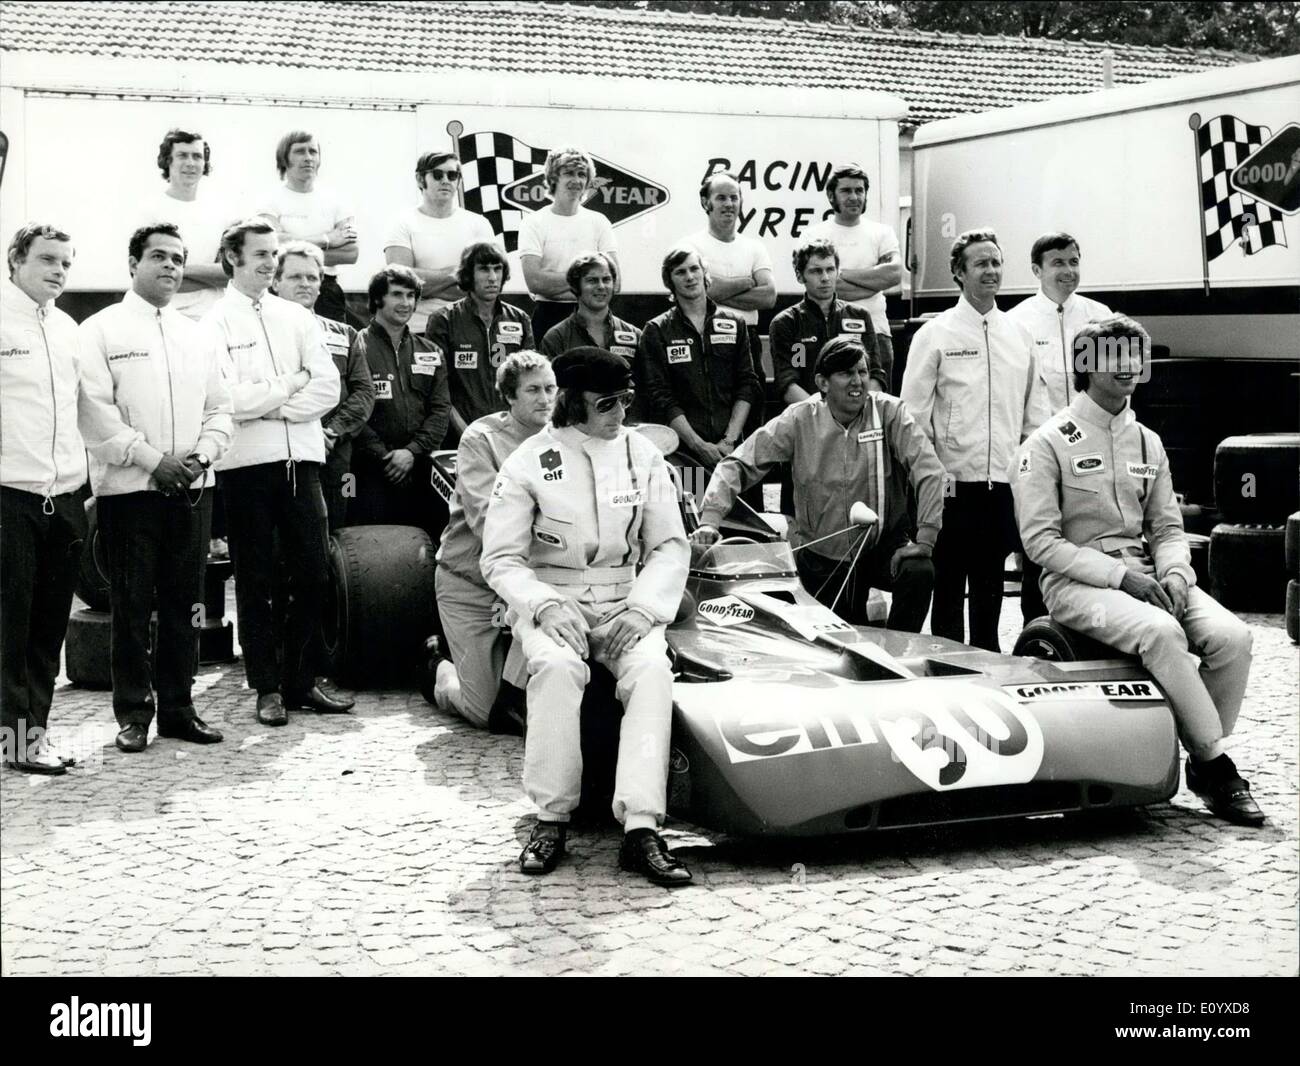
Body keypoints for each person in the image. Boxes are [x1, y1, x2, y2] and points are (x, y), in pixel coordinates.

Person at [1013, 316, 1263, 826]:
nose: (1131, 366)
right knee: (1162, 632)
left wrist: (1175, 574)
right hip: (1077, 584)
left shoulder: (1147, 441)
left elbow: (1168, 527)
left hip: (1152, 574)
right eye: (1117, 355)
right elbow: (1041, 543)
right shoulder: (1045, 444)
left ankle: (1197, 752)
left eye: (1137, 356)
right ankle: (1217, 767)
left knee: (1234, 637)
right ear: (1085, 366)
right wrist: (1119, 577)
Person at [481, 347, 692, 886]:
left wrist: (644, 610)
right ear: (573, 404)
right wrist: (544, 606)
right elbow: (501, 558)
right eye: (606, 403)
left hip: (626, 600)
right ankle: (551, 818)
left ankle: (642, 827)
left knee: (651, 673)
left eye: (625, 400)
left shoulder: (642, 454)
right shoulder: (528, 461)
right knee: (555, 669)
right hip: (555, 601)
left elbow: (669, 544)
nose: (619, 413)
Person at [78, 223, 233, 753]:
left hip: (192, 486)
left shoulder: (198, 333)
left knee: (183, 603)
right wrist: (150, 460)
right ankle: (133, 714)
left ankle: (178, 709)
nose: (170, 267)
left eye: (178, 258)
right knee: (131, 603)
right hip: (129, 492)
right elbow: (93, 415)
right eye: (158, 257)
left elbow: (221, 408)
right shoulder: (101, 330)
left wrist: (200, 456)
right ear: (132, 263)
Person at [202, 218, 351, 725]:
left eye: (273, 254)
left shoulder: (297, 317)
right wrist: (290, 385)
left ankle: (301, 680)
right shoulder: (215, 320)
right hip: (246, 467)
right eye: (260, 254)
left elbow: (329, 387)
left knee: (313, 571)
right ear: (233, 258)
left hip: (303, 461)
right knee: (255, 577)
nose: (269, 263)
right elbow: (229, 399)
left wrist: (276, 405)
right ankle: (266, 686)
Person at [693, 337, 942, 631]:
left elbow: (930, 471)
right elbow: (738, 463)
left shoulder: (890, 412)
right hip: (822, 556)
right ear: (822, 382)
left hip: (882, 548)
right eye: (846, 373)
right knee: (842, 645)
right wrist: (710, 520)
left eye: (862, 372)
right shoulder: (799, 418)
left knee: (919, 570)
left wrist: (925, 538)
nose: (858, 382)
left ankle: (902, 650)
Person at [900, 228, 1050, 652]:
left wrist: (1023, 476)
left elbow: (1033, 417)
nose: (991, 271)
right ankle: (947, 666)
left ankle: (988, 660)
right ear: (958, 273)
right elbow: (914, 416)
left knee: (990, 586)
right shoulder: (935, 333)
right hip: (950, 485)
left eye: (996, 262)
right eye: (981, 263)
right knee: (948, 586)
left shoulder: (1018, 335)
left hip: (1001, 485)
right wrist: (933, 477)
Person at [0, 224, 88, 775]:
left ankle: (36, 733)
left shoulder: (67, 328)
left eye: (66, 263)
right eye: (48, 260)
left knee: (49, 625)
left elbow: (86, 410)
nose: (59, 271)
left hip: (65, 498)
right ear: (15, 260)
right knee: (10, 625)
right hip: (9, 497)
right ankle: (18, 742)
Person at [432, 351, 557, 728]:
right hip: (470, 582)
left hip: (533, 581)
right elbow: (490, 522)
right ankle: (435, 666)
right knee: (486, 711)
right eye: (533, 390)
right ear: (509, 396)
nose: (545, 398)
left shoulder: (563, 438)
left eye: (551, 389)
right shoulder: (481, 439)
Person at [638, 246, 760, 500]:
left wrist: (729, 441)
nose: (690, 276)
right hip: (685, 454)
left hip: (733, 450)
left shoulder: (735, 323)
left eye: (694, 269)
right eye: (680, 272)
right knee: (697, 522)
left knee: (743, 525)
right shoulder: (657, 330)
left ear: (705, 274)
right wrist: (697, 445)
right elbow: (660, 396)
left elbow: (747, 384)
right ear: (669, 281)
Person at [272, 241, 373, 530]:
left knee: (336, 527)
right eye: (294, 277)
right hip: (282, 452)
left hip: (335, 453)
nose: (305, 284)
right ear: (276, 282)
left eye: (312, 277)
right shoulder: (262, 335)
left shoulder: (346, 335)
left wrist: (331, 432)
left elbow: (364, 393)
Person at [350, 265, 450, 537]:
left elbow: (441, 410)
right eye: (396, 294)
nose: (405, 303)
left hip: (421, 466)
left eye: (410, 295)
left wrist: (412, 452)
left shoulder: (431, 351)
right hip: (370, 470)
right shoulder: (355, 347)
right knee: (375, 550)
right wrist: (384, 456)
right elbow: (349, 408)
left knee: (427, 545)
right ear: (377, 299)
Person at [681, 171, 774, 427]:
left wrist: (718, 287)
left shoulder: (754, 247)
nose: (729, 204)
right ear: (705, 202)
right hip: (705, 341)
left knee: (752, 417)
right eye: (721, 197)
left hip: (748, 340)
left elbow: (768, 296)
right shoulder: (690, 246)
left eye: (734, 197)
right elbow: (699, 291)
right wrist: (746, 282)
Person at [425, 241, 534, 443]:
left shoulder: (519, 319)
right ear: (468, 275)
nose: (492, 278)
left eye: (497, 269)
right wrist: (467, 432)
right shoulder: (443, 320)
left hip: (509, 434)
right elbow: (438, 389)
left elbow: (528, 381)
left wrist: (515, 428)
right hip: (460, 434)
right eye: (484, 269)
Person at [804, 163, 902, 390]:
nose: (854, 197)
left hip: (876, 333)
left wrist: (843, 275)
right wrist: (874, 284)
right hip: (829, 333)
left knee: (875, 406)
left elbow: (894, 273)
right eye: (846, 191)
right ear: (831, 195)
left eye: (859, 190)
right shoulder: (814, 235)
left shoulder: (882, 232)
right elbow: (824, 286)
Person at [383, 151, 498, 335]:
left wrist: (424, 287)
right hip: (417, 328)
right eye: (438, 175)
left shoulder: (478, 224)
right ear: (420, 180)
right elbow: (401, 283)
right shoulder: (402, 222)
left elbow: (486, 286)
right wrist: (458, 273)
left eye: (452, 175)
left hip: (468, 327)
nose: (446, 180)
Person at [1007, 232, 1114, 414]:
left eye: (1073, 262)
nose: (1069, 271)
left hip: (1093, 428)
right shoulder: (1014, 321)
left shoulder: (1102, 315)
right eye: (1058, 263)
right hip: (1040, 433)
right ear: (1036, 270)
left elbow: (1118, 380)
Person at [518, 146, 618, 339]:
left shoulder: (599, 222)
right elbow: (535, 282)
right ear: (553, 178)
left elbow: (615, 281)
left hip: (594, 319)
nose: (576, 180)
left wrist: (556, 283)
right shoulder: (534, 222)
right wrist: (588, 282)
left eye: (582, 174)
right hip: (548, 316)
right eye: (569, 173)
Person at [257, 130, 358, 323]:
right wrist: (327, 239)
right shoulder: (269, 201)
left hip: (325, 289)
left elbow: (351, 252)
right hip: (283, 286)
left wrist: (291, 246)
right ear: (284, 158)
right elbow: (273, 244)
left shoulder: (337, 201)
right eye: (300, 151)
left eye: (313, 151)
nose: (308, 158)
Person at [769, 238, 884, 404]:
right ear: (800, 276)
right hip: (809, 417)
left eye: (830, 269)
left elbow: (875, 374)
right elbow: (788, 382)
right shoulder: (788, 323)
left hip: (856, 413)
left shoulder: (859, 316)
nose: (825, 278)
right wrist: (822, 415)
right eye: (816, 271)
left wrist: (858, 410)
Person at [135, 129, 229, 321]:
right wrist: (209, 275)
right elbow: (153, 276)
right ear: (167, 161)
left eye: (197, 156)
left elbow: (229, 273)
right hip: (166, 316)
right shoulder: (151, 212)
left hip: (212, 317)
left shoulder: (220, 212)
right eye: (182, 156)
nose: (190, 163)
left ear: (205, 163)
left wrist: (179, 270)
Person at [538, 252, 640, 370]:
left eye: (606, 279)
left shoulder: (634, 334)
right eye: (592, 280)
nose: (601, 286)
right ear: (576, 286)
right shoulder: (556, 338)